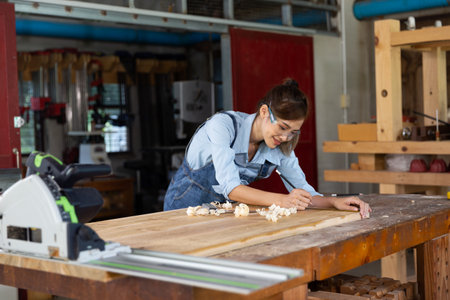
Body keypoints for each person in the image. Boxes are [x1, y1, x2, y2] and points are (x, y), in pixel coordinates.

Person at [164, 78, 371, 218]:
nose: (285, 137)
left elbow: (303, 193)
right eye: (282, 127)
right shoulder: (223, 126)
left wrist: (333, 203)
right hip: (184, 207)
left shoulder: (280, 147)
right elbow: (232, 188)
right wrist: (282, 200)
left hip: (221, 212)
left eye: (293, 132)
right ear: (264, 112)